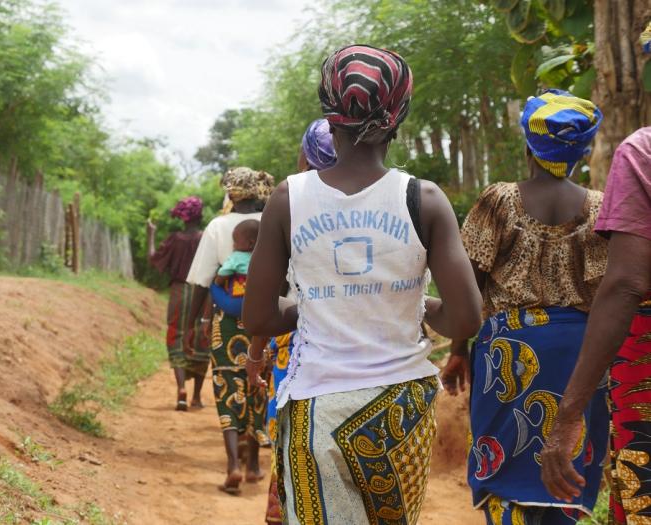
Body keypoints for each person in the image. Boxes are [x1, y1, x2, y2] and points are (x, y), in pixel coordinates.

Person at [243, 44, 482, 524]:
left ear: (328, 113)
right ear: (399, 116)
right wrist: (412, 303)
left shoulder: (290, 198)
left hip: (319, 405)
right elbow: (466, 317)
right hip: (402, 408)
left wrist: (307, 307)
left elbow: (258, 316)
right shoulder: (425, 199)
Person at [441, 90, 609, 524]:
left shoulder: (499, 199)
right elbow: (608, 289)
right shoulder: (599, 207)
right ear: (582, 150)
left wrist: (459, 349)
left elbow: (470, 284)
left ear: (528, 143)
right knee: (568, 466)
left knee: (504, 466)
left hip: (509, 355)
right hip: (579, 353)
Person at [541, 127, 651, 524]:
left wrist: (569, 414)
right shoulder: (595, 202)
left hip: (618, 353)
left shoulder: (643, 152)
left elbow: (625, 283)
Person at [260, 118, 338, 525]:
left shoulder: (289, 201)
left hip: (299, 347)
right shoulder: (382, 196)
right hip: (370, 351)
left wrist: (257, 349)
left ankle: (286, 508)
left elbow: (266, 292)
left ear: (305, 157)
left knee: (290, 442)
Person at [184, 167, 275, 495]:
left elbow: (203, 280)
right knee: (259, 386)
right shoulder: (274, 220)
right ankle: (253, 465)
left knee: (227, 387)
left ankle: (233, 465)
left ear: (231, 193)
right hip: (267, 319)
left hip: (226, 321)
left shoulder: (218, 227)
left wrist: (192, 323)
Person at [146, 196, 210, 411]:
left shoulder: (175, 239)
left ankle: (181, 390)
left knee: (177, 335)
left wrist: (151, 234)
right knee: (202, 335)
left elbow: (153, 258)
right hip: (202, 292)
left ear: (182, 218)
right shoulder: (206, 238)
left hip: (178, 293)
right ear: (200, 216)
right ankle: (197, 397)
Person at [213, 219, 259, 289]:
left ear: (250, 243)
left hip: (241, 294)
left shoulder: (236, 256)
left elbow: (224, 272)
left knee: (213, 288)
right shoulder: (264, 256)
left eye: (235, 241)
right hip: (260, 291)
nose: (233, 245)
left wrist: (217, 282)